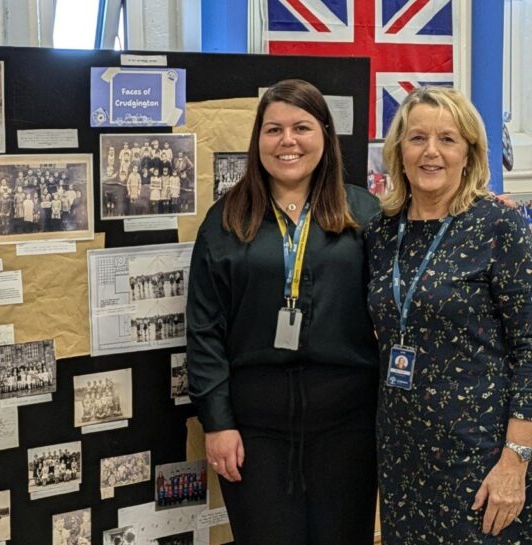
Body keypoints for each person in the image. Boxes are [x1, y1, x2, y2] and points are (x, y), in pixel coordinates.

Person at [186, 79, 380, 545]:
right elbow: (204, 330)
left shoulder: (365, 213)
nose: (287, 141)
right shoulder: (227, 219)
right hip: (256, 427)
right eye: (273, 129)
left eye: (301, 127)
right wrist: (218, 422)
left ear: (325, 136)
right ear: (258, 141)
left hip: (348, 423)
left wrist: (474, 207)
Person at [365, 86, 532, 544]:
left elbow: (529, 349)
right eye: (417, 138)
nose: (431, 152)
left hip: (481, 457)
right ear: (399, 151)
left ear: (469, 153)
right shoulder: (380, 232)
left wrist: (516, 461)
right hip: (402, 456)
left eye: (448, 139)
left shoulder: (499, 225)